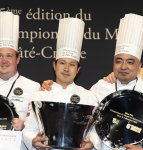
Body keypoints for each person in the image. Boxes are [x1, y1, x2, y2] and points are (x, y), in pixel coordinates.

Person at [41, 14, 143, 150]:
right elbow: (82, 116)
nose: (123, 67)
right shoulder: (101, 86)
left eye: (130, 62)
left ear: (139, 65)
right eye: (118, 61)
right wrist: (50, 87)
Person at [23, 17, 99, 150]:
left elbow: (96, 129)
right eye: (62, 63)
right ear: (54, 65)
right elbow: (29, 128)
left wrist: (91, 142)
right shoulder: (40, 96)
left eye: (72, 64)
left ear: (78, 69)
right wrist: (34, 140)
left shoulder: (89, 97)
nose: (66, 69)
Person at [0, 11, 41, 150]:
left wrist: (24, 126)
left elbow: (40, 131)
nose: (4, 61)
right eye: (0, 56)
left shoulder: (34, 88)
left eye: (9, 56)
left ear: (18, 59)